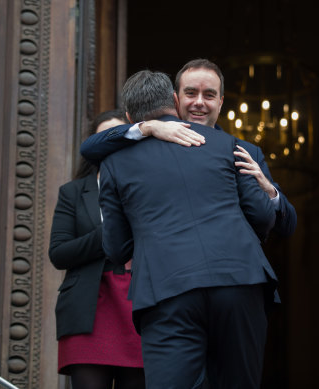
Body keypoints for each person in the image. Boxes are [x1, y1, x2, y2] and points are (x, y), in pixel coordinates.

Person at [98, 69, 277, 388]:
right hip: (240, 279)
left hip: (167, 289)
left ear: (128, 117)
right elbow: (263, 215)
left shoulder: (115, 162)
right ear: (174, 101)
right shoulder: (228, 144)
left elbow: (115, 247)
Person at [80, 58, 296, 239]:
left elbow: (286, 227)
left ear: (220, 102)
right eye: (191, 93)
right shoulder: (147, 147)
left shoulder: (244, 151)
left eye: (209, 95)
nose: (199, 102)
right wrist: (147, 128)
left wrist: (268, 189)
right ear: (176, 99)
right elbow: (90, 147)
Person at [48, 109, 145, 389]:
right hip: (87, 309)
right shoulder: (73, 192)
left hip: (138, 307)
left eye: (120, 136)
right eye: (104, 137)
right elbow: (59, 253)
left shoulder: (150, 188)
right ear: (94, 145)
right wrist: (109, 233)